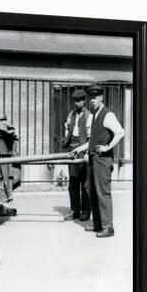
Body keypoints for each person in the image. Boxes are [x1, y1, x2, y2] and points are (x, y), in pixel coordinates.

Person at [70, 85, 125, 238]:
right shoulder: (94, 116)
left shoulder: (108, 115)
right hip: (94, 159)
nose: (92, 101)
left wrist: (108, 147)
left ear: (101, 98)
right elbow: (92, 141)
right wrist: (78, 149)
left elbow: (120, 132)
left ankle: (108, 228)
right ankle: (98, 224)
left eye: (95, 97)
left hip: (103, 160)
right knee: (93, 191)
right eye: (91, 98)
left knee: (103, 193)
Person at [63, 89, 92, 221]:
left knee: (85, 182)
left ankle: (86, 211)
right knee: (73, 182)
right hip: (72, 148)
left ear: (84, 100)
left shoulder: (89, 116)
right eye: (75, 100)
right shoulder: (71, 114)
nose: (77, 103)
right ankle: (75, 211)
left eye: (79, 100)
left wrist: (85, 152)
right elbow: (67, 128)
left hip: (83, 148)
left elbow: (90, 138)